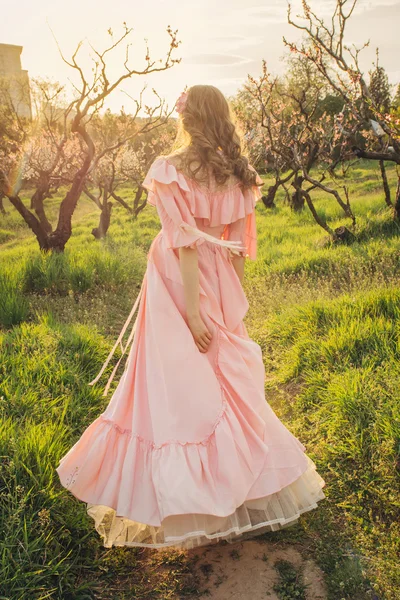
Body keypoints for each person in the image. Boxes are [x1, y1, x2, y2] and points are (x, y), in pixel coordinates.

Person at [56, 84, 326, 550]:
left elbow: (184, 244)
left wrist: (196, 313)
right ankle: (226, 482)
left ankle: (198, 491)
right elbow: (237, 250)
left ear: (190, 119)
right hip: (217, 276)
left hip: (178, 280)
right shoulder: (242, 173)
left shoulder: (172, 170)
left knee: (176, 381)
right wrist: (230, 302)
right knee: (220, 378)